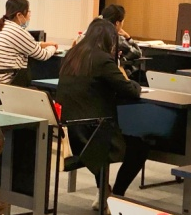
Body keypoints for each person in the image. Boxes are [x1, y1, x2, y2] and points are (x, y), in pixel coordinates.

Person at [56, 18, 148, 199]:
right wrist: (132, 81)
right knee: (140, 147)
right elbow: (129, 90)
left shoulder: (72, 55)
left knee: (102, 129)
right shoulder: (103, 60)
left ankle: (104, 191)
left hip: (69, 131)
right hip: (92, 134)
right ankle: (116, 195)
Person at [0, 0, 58, 87]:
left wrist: (41, 44)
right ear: (19, 15)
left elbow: (18, 44)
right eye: (28, 12)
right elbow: (43, 55)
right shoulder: (18, 31)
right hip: (6, 84)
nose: (29, 15)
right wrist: (53, 47)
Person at [100, 4, 144, 80]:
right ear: (117, 23)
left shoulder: (95, 34)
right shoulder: (117, 38)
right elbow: (137, 53)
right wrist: (128, 37)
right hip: (116, 75)